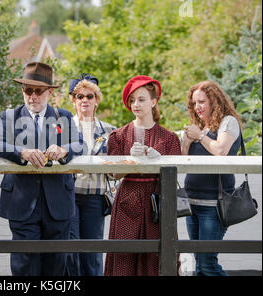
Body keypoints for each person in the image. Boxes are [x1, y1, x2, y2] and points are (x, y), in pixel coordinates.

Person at [0, 62, 82, 276]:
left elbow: (79, 144)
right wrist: (22, 152)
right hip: (22, 202)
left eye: (38, 91)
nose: (33, 96)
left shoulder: (63, 117)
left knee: (56, 265)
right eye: (27, 90)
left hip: (57, 202)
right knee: (24, 266)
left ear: (49, 92)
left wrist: (64, 150)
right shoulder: (9, 117)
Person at [104, 75, 181, 276]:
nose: (135, 104)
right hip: (127, 200)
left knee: (156, 256)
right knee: (124, 255)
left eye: (141, 99)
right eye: (132, 100)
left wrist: (161, 162)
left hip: (158, 202)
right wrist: (130, 161)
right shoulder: (118, 136)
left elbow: (177, 177)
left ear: (154, 101)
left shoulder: (169, 138)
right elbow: (112, 174)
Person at [182, 81, 243, 276]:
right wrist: (187, 141)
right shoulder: (201, 127)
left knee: (207, 263)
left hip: (214, 204)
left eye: (202, 101)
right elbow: (184, 160)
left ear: (214, 101)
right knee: (200, 264)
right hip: (191, 202)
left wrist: (199, 136)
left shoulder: (228, 122)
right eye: (194, 103)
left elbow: (221, 150)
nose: (197, 107)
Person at [65, 74, 115, 276]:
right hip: (69, 196)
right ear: (74, 100)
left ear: (97, 100)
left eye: (89, 96)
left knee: (92, 254)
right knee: (71, 252)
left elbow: (114, 172)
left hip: (95, 198)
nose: (84, 100)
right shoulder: (63, 128)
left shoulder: (110, 131)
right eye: (79, 96)